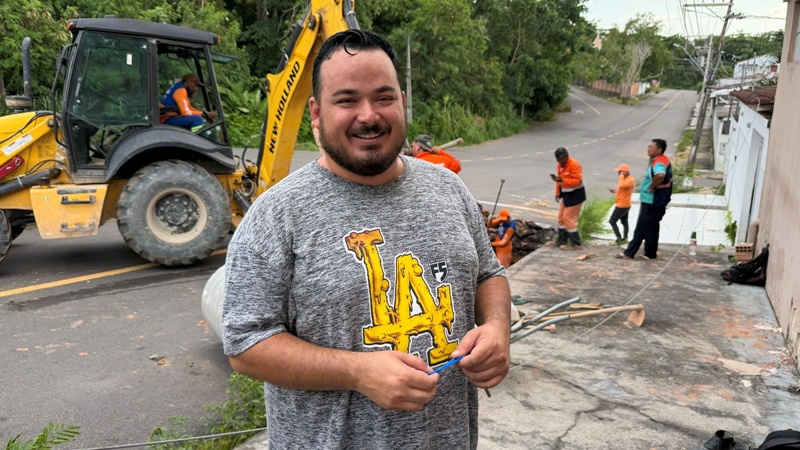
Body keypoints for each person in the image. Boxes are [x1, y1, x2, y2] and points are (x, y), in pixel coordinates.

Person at [222, 29, 510, 449]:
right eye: (347, 100)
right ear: (316, 112)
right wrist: (356, 372)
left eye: (383, 97)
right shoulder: (277, 214)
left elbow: (488, 273)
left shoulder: (449, 189)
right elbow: (245, 345)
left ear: (402, 102)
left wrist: (497, 328)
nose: (368, 115)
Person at [618, 138, 671, 260]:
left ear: (659, 150)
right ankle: (648, 253)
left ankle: (631, 252)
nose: (648, 149)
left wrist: (652, 186)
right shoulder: (661, 159)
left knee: (643, 227)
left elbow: (660, 175)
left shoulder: (659, 162)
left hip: (652, 200)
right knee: (649, 227)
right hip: (655, 200)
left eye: (650, 147)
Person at [551, 147, 586, 250]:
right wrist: (557, 192)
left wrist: (563, 180)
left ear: (567, 156)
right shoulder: (559, 165)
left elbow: (578, 181)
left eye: (562, 159)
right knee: (561, 218)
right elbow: (559, 181)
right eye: (559, 160)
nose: (561, 162)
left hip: (576, 195)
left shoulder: (574, 164)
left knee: (568, 218)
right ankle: (561, 241)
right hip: (566, 194)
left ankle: (576, 244)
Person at [608, 163, 635, 246]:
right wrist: (615, 191)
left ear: (624, 172)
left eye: (619, 172)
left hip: (622, 205)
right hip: (625, 203)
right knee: (624, 221)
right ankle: (625, 237)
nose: (618, 173)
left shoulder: (630, 179)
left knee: (612, 221)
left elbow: (622, 185)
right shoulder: (627, 178)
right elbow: (623, 189)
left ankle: (619, 238)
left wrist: (621, 175)